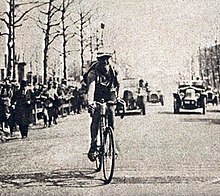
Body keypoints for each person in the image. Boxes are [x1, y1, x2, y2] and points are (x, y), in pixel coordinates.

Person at [86, 52, 120, 162]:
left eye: (107, 59)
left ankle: (112, 144)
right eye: (102, 60)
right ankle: (94, 145)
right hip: (97, 93)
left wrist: (119, 98)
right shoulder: (93, 72)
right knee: (96, 118)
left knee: (111, 115)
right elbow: (91, 88)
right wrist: (90, 102)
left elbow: (119, 84)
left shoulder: (114, 70)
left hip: (110, 93)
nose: (105, 62)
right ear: (99, 61)